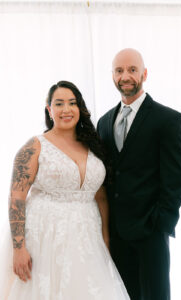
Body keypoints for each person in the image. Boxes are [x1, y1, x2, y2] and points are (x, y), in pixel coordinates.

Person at [0, 80, 130, 299]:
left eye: (72, 103)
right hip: (45, 238)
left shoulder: (94, 145)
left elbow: (101, 198)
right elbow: (17, 197)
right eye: (59, 104)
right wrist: (18, 248)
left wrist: (106, 241)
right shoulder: (34, 146)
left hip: (88, 239)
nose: (66, 109)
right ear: (49, 110)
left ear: (80, 108)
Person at [97, 48, 181, 300]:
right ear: (112, 76)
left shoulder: (168, 119)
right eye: (119, 70)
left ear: (144, 74)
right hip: (116, 234)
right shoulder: (104, 122)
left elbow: (178, 177)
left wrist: (159, 222)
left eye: (132, 69)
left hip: (151, 232)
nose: (125, 76)